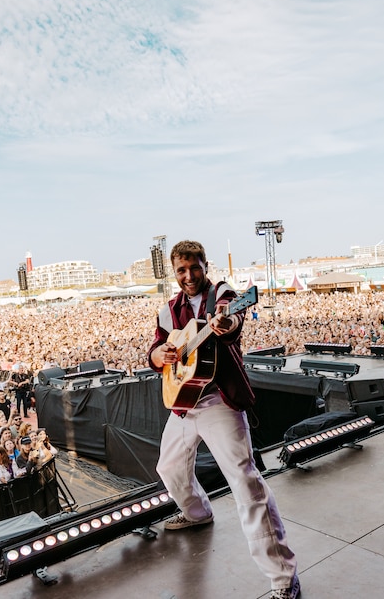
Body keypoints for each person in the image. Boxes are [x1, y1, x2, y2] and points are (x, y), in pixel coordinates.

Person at [147, 240, 299, 599]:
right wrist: (161, 354)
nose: (188, 276)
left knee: (245, 483)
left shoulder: (223, 294)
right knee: (169, 469)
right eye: (181, 270)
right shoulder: (169, 311)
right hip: (184, 404)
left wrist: (226, 322)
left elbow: (232, 320)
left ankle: (283, 578)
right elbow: (154, 351)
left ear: (205, 265)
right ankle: (198, 512)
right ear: (174, 272)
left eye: (194, 267)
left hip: (218, 402)